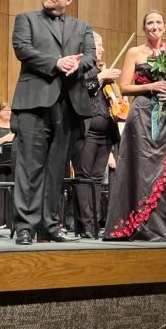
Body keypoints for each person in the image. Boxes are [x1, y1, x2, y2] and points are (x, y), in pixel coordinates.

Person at [11, 0, 95, 246]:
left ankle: (49, 225)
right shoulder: (26, 19)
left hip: (69, 104)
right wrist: (57, 62)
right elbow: (22, 49)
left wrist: (74, 65)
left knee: (56, 169)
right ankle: (25, 226)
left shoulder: (82, 27)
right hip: (34, 102)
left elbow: (91, 57)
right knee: (29, 168)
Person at [105, 10, 166, 241]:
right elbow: (124, 87)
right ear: (144, 28)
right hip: (141, 113)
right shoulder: (135, 52)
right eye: (150, 23)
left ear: (165, 27)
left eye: (158, 22)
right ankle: (137, 223)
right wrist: (150, 87)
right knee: (140, 167)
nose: (154, 26)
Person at [70, 33, 119, 238]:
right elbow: (80, 92)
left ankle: (95, 224)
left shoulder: (101, 70)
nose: (102, 49)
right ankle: (86, 226)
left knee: (98, 179)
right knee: (84, 177)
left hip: (106, 133)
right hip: (85, 132)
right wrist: (100, 77)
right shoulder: (79, 68)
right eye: (99, 45)